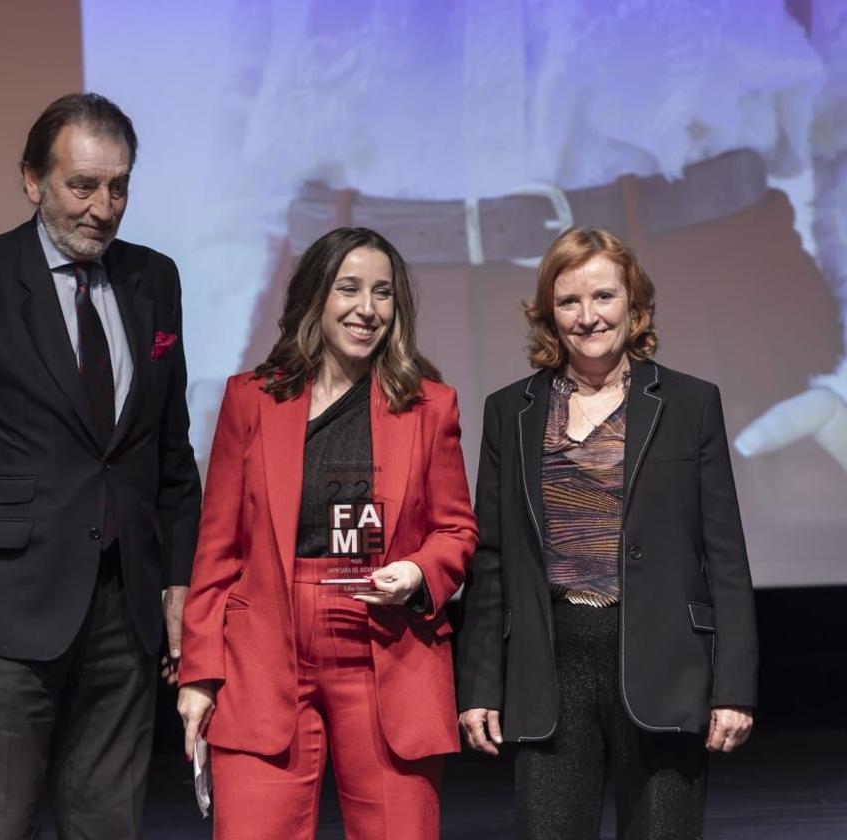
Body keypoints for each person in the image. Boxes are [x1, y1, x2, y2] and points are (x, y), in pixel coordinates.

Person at [0, 93, 202, 840]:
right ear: (32, 179)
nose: (102, 207)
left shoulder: (154, 280)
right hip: (2, 612)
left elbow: (171, 451)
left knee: (107, 826)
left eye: (118, 186)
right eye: (82, 185)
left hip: (125, 612)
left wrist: (179, 582)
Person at [177, 227, 478, 839]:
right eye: (349, 288)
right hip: (265, 651)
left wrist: (419, 571)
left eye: (383, 293)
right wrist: (199, 675)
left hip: (384, 646)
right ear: (316, 296)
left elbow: (455, 530)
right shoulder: (251, 400)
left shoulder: (428, 406)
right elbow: (218, 549)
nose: (367, 309)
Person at [456, 227, 757, 839]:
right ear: (548, 314)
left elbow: (724, 553)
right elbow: (491, 561)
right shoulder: (508, 411)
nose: (588, 317)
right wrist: (479, 687)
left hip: (664, 663)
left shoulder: (690, 403)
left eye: (604, 297)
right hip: (552, 665)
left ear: (634, 304)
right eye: (569, 301)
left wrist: (735, 688)